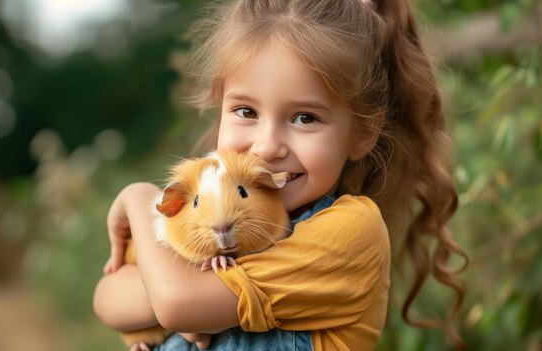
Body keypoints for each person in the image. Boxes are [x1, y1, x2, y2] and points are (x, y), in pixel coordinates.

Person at [93, 0, 468, 350]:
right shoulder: (212, 208)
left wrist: (140, 201)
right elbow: (107, 298)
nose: (267, 147)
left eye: (305, 118)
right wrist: (164, 291)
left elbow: (176, 305)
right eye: (246, 111)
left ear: (363, 132)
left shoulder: (351, 232)